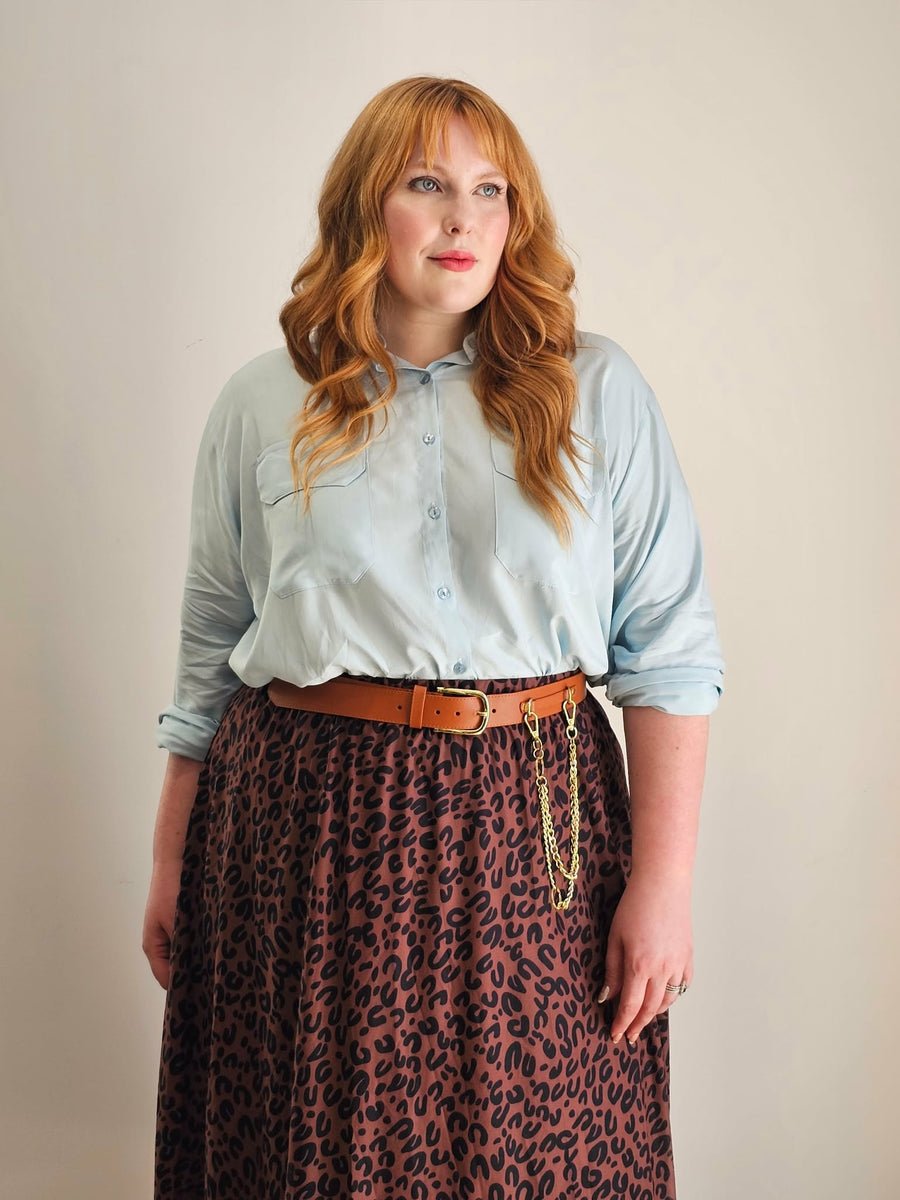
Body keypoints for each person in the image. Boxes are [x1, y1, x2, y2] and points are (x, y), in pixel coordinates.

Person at [144, 75, 724, 1200]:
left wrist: (665, 884)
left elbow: (672, 650)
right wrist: (171, 859)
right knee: (310, 1148)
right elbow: (211, 649)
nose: (464, 220)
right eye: (427, 185)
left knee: (536, 1152)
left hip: (537, 831)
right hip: (303, 825)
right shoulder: (265, 402)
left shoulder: (593, 390)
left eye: (489, 190)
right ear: (370, 207)